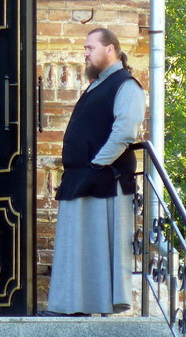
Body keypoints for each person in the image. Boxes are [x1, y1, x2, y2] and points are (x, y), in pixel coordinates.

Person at [45, 27, 145, 316]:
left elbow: (124, 133)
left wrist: (96, 165)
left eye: (90, 48)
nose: (85, 53)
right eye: (85, 48)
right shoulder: (97, 85)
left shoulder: (126, 85)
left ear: (110, 49)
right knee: (78, 247)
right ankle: (72, 306)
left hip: (105, 180)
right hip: (82, 177)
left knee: (97, 249)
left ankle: (92, 306)